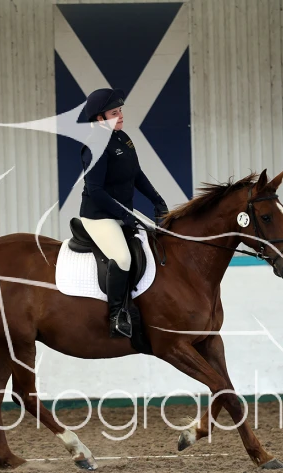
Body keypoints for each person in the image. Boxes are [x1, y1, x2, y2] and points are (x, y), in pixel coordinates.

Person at [77, 88, 169, 339]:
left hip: (123, 211)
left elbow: (136, 174)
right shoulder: (95, 145)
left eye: (120, 111)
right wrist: (126, 216)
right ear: (99, 118)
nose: (120, 116)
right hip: (100, 216)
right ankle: (117, 315)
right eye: (114, 113)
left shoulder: (122, 138)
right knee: (122, 258)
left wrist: (157, 200)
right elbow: (95, 191)